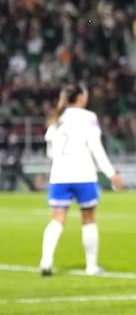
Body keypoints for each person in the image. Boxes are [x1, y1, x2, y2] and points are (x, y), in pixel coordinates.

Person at [39, 83, 123, 276]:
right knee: (88, 219)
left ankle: (46, 261)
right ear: (81, 98)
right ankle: (91, 266)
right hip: (83, 174)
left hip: (59, 175)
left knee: (57, 219)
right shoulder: (88, 117)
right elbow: (96, 148)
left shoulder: (56, 118)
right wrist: (111, 173)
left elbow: (50, 152)